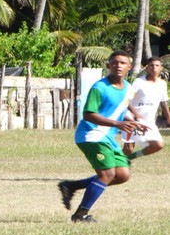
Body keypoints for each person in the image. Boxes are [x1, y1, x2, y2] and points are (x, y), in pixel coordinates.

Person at [58, 50, 148, 223]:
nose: (118, 65)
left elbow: (121, 109)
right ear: (108, 66)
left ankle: (71, 186)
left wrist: (134, 121)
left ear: (129, 67)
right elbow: (88, 115)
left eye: (122, 63)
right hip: (91, 135)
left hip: (107, 137)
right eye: (114, 62)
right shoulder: (99, 88)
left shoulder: (129, 88)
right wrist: (118, 124)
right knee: (107, 174)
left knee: (122, 175)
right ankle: (80, 215)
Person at [121, 57, 170, 160]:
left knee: (158, 145)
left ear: (161, 68)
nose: (154, 68)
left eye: (157, 65)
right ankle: (118, 164)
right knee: (129, 148)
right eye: (151, 65)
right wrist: (136, 115)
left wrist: (168, 117)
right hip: (132, 119)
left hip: (149, 121)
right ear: (147, 68)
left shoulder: (162, 84)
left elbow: (163, 103)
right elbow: (127, 100)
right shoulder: (138, 82)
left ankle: (129, 159)